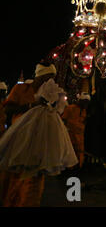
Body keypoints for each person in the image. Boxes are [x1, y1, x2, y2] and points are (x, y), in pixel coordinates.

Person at [0, 63, 78, 207]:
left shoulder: (50, 92)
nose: (49, 81)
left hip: (38, 146)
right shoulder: (21, 89)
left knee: (34, 183)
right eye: (47, 78)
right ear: (40, 76)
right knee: (12, 181)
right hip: (19, 143)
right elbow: (8, 108)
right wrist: (31, 106)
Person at [61, 92, 90, 168]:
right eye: (84, 102)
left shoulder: (84, 110)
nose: (85, 104)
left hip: (79, 135)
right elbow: (63, 120)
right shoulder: (70, 108)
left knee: (79, 151)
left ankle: (79, 166)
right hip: (70, 134)